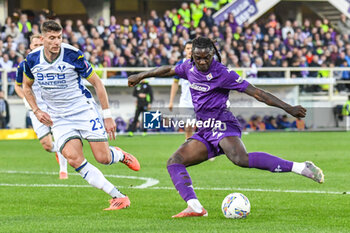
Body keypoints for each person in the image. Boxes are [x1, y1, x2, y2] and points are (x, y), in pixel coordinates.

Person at [128, 37, 324, 218]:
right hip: (205, 128)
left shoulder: (223, 73)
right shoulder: (188, 67)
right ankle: (195, 206)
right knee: (175, 161)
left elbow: (257, 93)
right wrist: (140, 75)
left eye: (206, 57)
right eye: (198, 58)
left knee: (240, 159)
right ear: (192, 57)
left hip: (222, 122)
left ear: (212, 55)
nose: (203, 62)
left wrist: (288, 108)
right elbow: (167, 70)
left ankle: (301, 168)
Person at [23, 20, 140, 210]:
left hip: (83, 111)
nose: (56, 42)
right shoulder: (31, 60)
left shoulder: (72, 55)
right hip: (58, 117)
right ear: (42, 38)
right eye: (51, 38)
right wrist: (36, 110)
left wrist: (107, 115)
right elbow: (26, 87)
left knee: (103, 158)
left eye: (59, 37)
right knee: (73, 158)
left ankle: (119, 155)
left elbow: (97, 83)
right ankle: (118, 197)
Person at [15, 34, 69, 179]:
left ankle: (63, 170)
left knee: (60, 137)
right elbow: (18, 86)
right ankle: (59, 152)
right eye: (35, 45)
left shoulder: (52, 63)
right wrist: (25, 98)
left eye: (40, 45)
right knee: (47, 145)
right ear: (30, 48)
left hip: (54, 107)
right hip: (35, 110)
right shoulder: (24, 65)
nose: (37, 48)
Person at [169, 41, 194, 139]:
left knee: (203, 128)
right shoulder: (180, 64)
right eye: (188, 48)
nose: (190, 51)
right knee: (188, 127)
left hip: (199, 102)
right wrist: (171, 101)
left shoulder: (201, 63)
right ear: (185, 50)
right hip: (186, 102)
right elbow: (175, 83)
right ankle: (188, 147)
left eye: (192, 48)